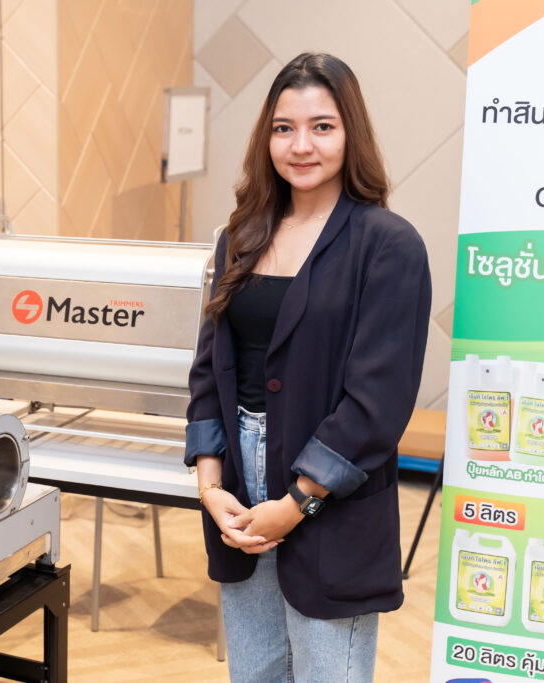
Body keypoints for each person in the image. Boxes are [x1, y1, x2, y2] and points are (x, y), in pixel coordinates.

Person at [185, 52, 431, 682]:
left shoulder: (388, 244)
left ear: (351, 134)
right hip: (238, 487)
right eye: (283, 128)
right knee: (255, 672)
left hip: (327, 489)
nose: (301, 145)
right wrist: (211, 487)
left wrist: (296, 504)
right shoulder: (240, 235)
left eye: (322, 126)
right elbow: (210, 369)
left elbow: (376, 405)